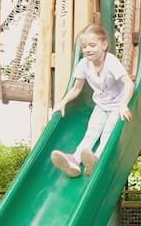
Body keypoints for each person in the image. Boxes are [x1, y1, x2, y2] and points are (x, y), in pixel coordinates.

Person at [50, 24, 132, 178]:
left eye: (92, 45)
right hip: (101, 105)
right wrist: (62, 103)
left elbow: (129, 83)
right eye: (84, 47)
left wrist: (124, 105)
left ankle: (97, 159)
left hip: (117, 105)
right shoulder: (84, 64)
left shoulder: (111, 62)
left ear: (104, 45)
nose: (88, 49)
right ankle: (74, 161)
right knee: (91, 132)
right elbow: (76, 88)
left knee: (108, 132)